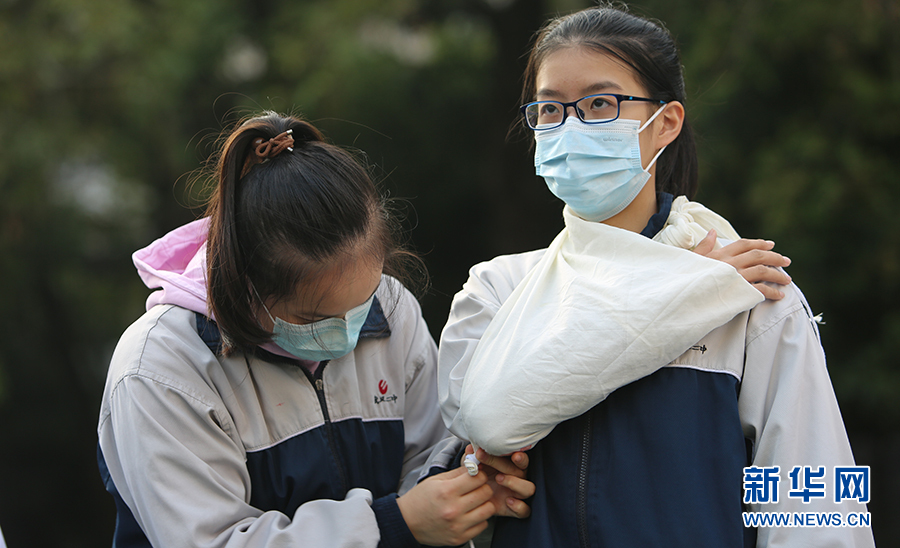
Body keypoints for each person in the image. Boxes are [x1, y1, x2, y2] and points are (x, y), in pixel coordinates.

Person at [438, 5, 874, 548]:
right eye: (550, 109)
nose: (571, 125)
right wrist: (687, 293)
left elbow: (814, 499)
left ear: (665, 122)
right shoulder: (497, 291)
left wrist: (702, 289)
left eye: (600, 103)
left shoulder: (751, 293)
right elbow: (479, 432)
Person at [96, 112, 534, 548]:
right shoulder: (160, 370)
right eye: (312, 320)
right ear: (246, 284)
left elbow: (429, 452)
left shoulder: (390, 306)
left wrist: (467, 474)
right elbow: (214, 541)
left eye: (361, 305)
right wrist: (392, 526)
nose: (346, 334)